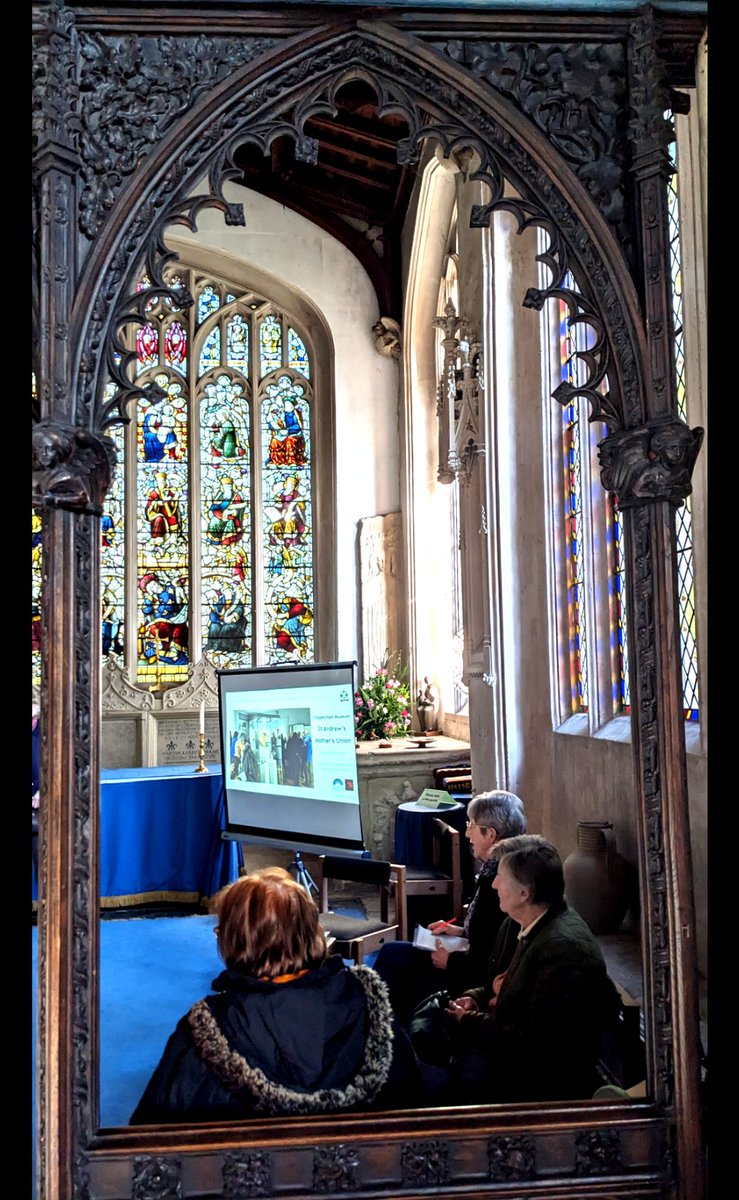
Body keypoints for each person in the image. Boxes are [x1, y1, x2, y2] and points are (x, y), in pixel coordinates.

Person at [129, 867, 422, 1124]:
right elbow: (414, 1113)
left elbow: (151, 1145)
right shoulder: (370, 1009)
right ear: (313, 932)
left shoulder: (205, 1032)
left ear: (236, 942)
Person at [440, 834, 621, 1104]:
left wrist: (467, 1022)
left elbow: (534, 1045)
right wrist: (476, 997)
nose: (494, 884)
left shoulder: (563, 950)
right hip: (506, 1054)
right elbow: (502, 984)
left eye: (501, 877)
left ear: (525, 893)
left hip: (537, 1085)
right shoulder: (518, 922)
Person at [372, 790, 527, 1024]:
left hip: (467, 974)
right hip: (465, 955)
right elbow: (486, 933)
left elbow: (492, 958)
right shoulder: (491, 869)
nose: (467, 834)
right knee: (392, 952)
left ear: (491, 835)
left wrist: (449, 960)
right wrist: (458, 930)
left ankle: (384, 1030)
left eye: (471, 825)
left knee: (398, 967)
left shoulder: (501, 883)